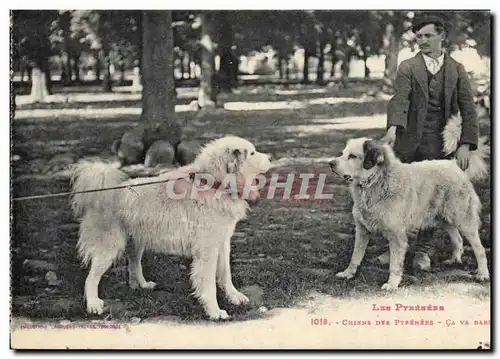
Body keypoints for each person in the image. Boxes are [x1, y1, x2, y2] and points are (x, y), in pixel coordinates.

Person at [383, 15, 479, 270]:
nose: (422, 40)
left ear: (441, 36)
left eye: (428, 35)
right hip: (409, 141)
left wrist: (465, 144)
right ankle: (394, 246)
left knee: (433, 199)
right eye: (419, 36)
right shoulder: (407, 66)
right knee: (398, 195)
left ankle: (422, 252)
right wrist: (393, 129)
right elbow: (400, 99)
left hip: (440, 146)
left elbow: (468, 108)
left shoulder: (456, 69)